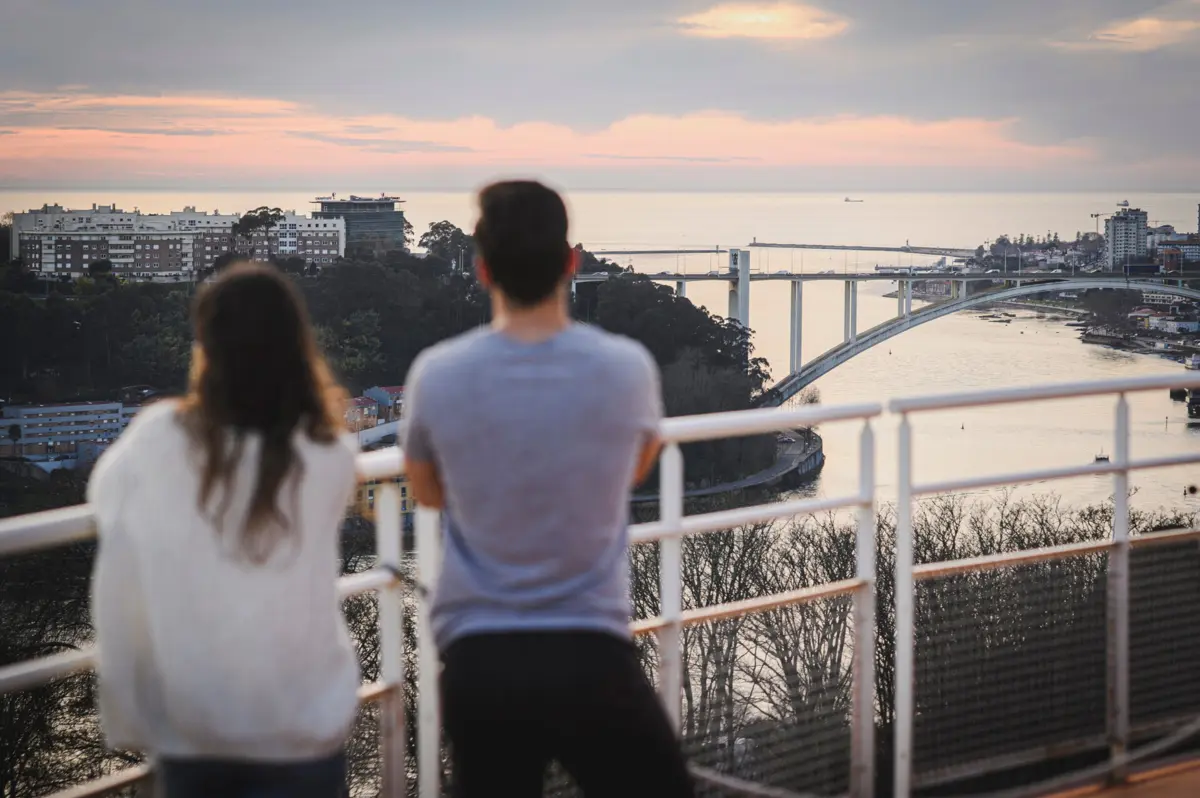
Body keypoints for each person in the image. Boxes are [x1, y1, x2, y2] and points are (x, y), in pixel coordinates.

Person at [403, 180, 694, 797]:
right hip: (589, 646)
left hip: (478, 654)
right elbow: (631, 470)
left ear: (482, 271)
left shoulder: (436, 374)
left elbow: (427, 493)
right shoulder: (626, 367)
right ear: (571, 261)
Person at [88, 262, 360, 798]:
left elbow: (107, 500)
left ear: (205, 346)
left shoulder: (158, 440)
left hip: (196, 733)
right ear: (297, 344)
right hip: (303, 729)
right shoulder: (330, 453)